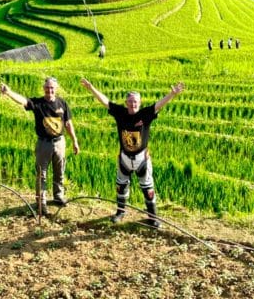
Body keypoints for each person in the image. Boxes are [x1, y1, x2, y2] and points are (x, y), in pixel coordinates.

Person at [79, 77, 185, 229]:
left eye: (135, 102)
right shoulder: (120, 113)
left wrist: (172, 94)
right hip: (124, 158)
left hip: (142, 159)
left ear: (139, 103)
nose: (133, 104)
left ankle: (152, 216)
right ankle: (120, 212)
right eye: (130, 101)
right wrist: (91, 88)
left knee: (148, 189)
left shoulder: (145, 114)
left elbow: (158, 105)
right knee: (121, 187)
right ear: (126, 103)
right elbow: (105, 102)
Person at [0, 77, 79, 216]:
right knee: (41, 174)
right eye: (47, 88)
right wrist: (9, 92)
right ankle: (41, 203)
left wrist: (75, 141)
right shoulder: (38, 103)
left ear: (56, 88)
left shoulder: (62, 103)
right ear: (44, 88)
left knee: (59, 171)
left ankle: (58, 196)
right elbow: (23, 100)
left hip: (59, 142)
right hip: (44, 144)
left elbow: (68, 124)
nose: (50, 90)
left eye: (52, 88)